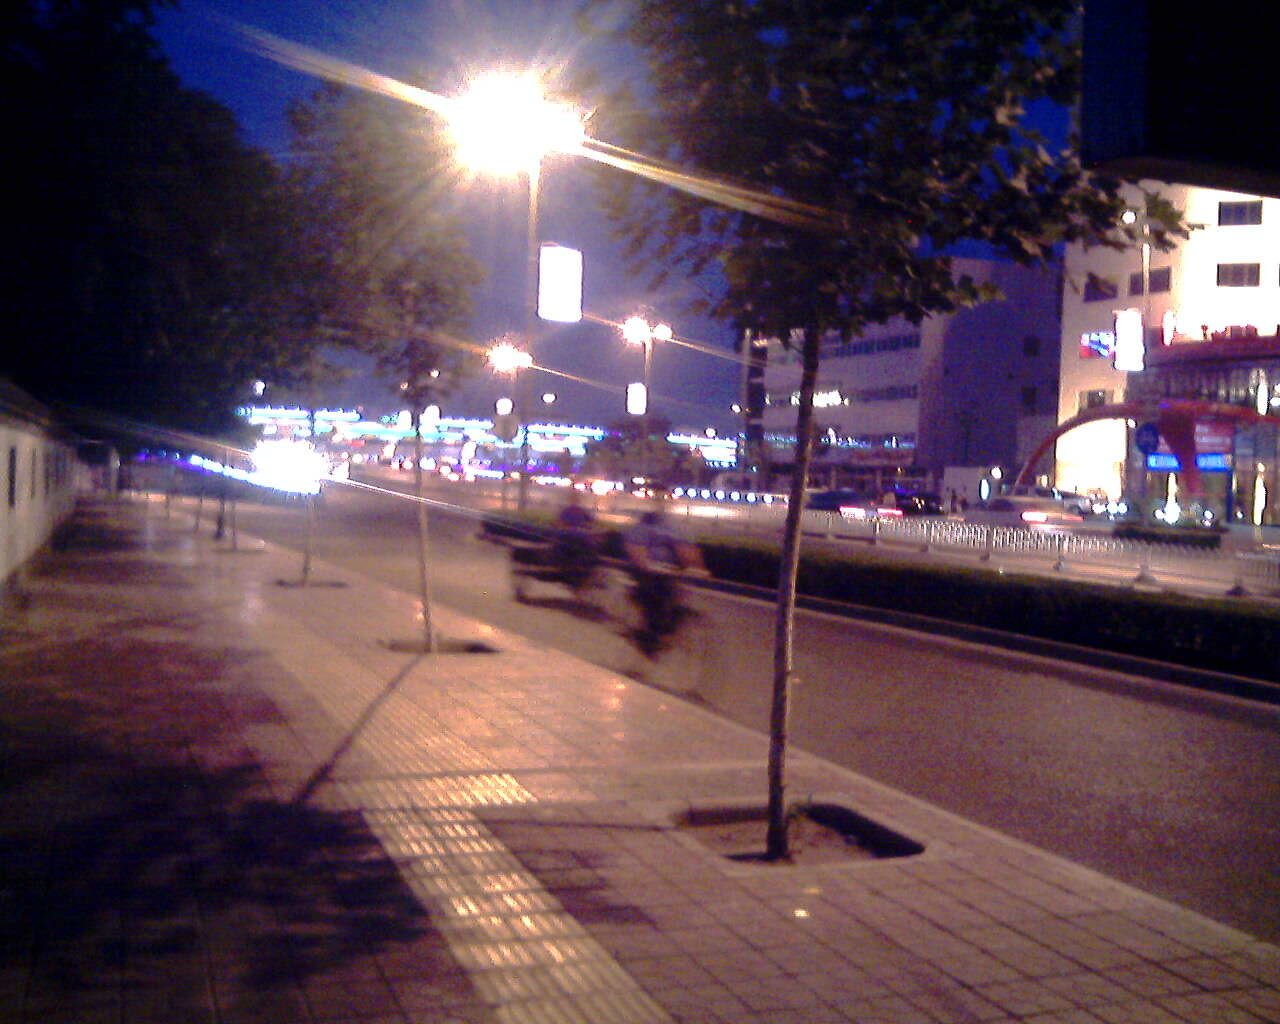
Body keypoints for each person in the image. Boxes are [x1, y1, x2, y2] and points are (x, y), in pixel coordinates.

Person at [622, 507, 706, 656]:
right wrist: (647, 565)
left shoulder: (674, 529)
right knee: (655, 593)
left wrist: (696, 567)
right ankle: (651, 633)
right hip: (647, 575)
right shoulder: (640, 529)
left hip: (667, 573)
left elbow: (687, 551)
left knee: (673, 593)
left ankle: (663, 630)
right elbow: (636, 552)